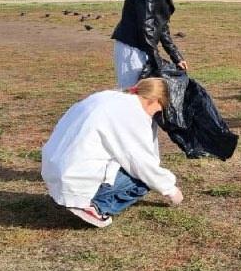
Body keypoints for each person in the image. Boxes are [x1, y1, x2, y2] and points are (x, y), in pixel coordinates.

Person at [41, 72, 184, 228]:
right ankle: (96, 206)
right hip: (76, 174)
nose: (156, 116)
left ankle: (77, 195)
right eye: (158, 109)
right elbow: (142, 164)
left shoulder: (108, 96)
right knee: (141, 180)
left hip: (54, 167)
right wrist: (170, 189)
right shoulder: (133, 115)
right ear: (153, 100)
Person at [112, 0, 194, 89]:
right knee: (131, 96)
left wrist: (176, 56)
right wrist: (157, 61)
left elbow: (162, 25)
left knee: (142, 97)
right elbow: (146, 24)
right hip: (132, 48)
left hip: (143, 47)